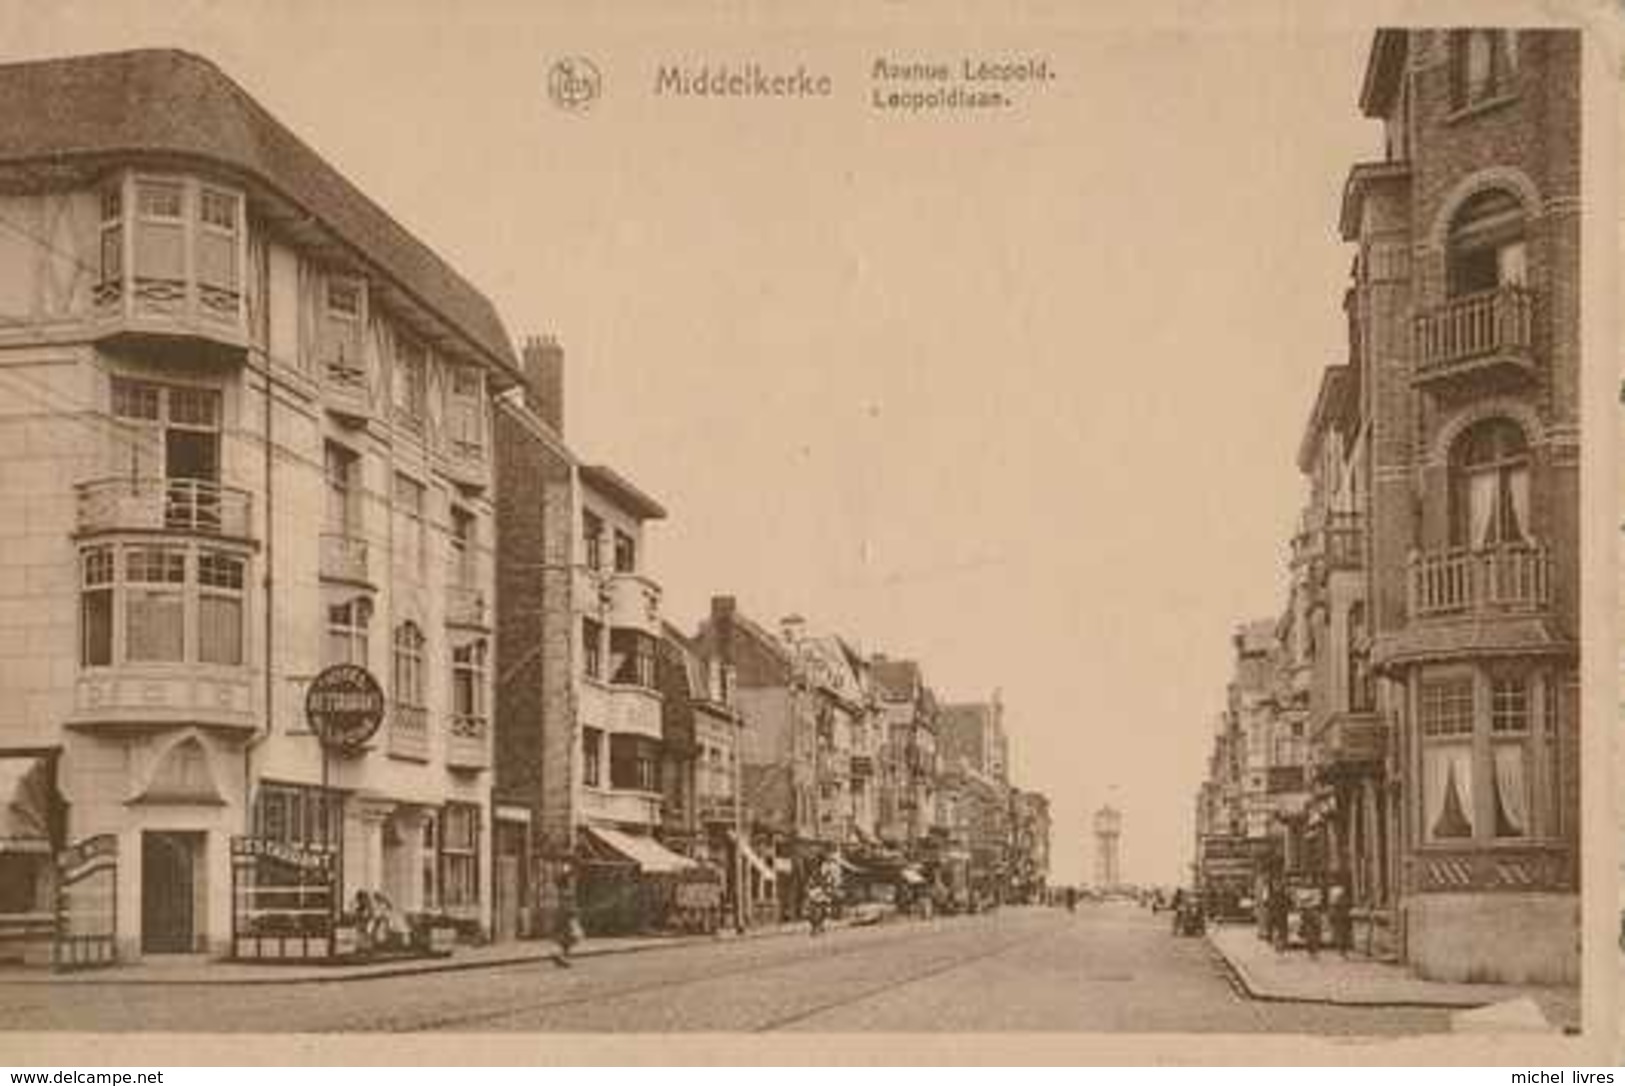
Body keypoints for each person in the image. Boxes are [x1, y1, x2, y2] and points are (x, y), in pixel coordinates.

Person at [552, 862, 580, 968]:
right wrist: (572, 912)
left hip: (566, 914)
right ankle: (560, 955)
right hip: (568, 915)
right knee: (575, 936)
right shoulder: (567, 891)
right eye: (571, 877)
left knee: (569, 937)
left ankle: (563, 957)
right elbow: (567, 903)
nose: (573, 879)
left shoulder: (565, 889)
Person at [1329, 882, 1353, 958]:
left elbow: (1348, 912)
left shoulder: (1341, 903)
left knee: (1343, 937)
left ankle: (1342, 951)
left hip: (1343, 922)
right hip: (1341, 922)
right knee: (1342, 937)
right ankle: (1342, 951)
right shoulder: (1342, 903)